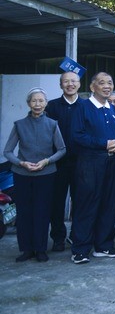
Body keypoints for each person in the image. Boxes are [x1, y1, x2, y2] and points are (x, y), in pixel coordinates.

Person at [69, 72, 115, 264]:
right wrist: (104, 143)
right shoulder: (83, 107)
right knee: (87, 205)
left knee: (109, 204)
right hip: (90, 164)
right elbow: (77, 136)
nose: (106, 86)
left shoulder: (111, 108)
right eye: (101, 83)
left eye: (109, 83)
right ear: (93, 87)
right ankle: (80, 249)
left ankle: (104, 246)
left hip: (112, 163)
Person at [4, 88, 66, 262]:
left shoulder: (53, 124)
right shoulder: (19, 124)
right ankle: (26, 249)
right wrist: (21, 163)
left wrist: (46, 161)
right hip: (22, 174)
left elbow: (62, 149)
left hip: (46, 173)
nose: (37, 104)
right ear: (28, 103)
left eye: (41, 101)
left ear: (46, 103)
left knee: (42, 211)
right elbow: (8, 151)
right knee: (24, 212)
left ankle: (40, 249)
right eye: (34, 101)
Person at [45, 71, 83, 253]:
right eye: (66, 81)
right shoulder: (51, 107)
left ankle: (77, 236)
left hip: (81, 162)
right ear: (61, 85)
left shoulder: (85, 106)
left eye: (73, 81)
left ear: (79, 84)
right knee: (56, 202)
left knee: (81, 202)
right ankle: (58, 238)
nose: (70, 84)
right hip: (57, 163)